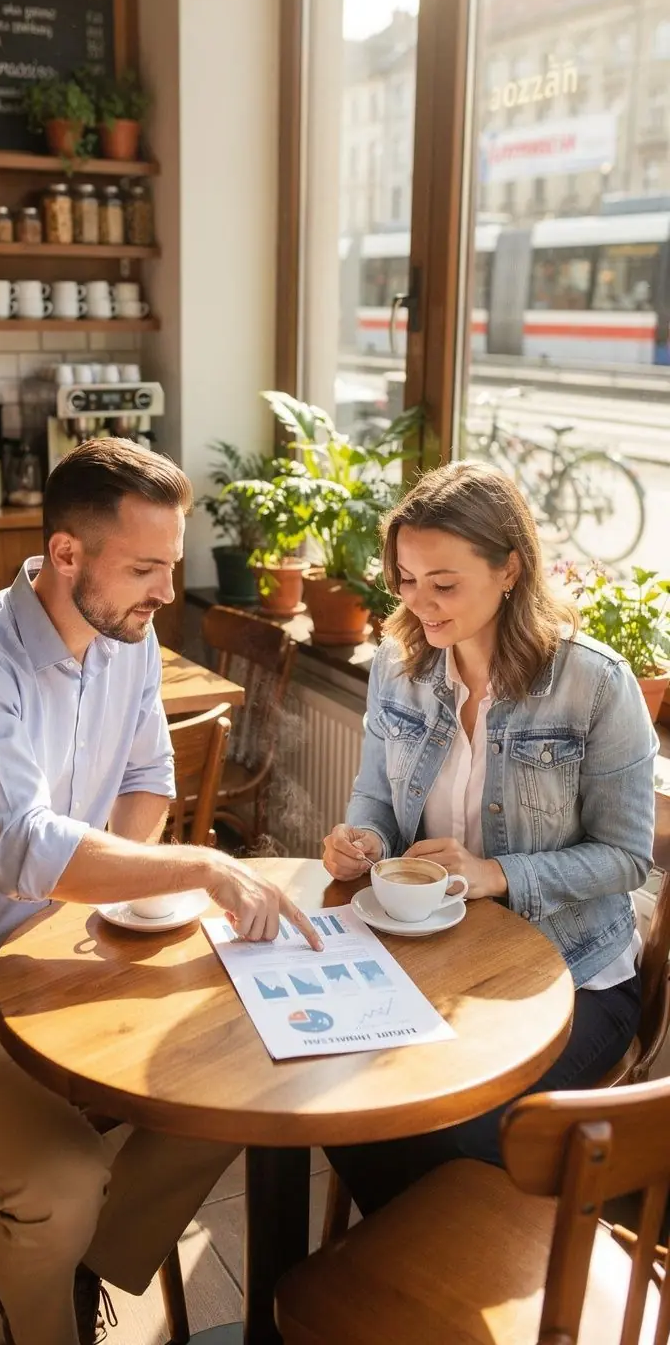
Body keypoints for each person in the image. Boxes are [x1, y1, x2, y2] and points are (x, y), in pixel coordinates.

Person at [0, 438, 321, 1345]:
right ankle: (39, 1309)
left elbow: (149, 775)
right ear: (66, 555)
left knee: (249, 1075)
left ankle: (64, 1266)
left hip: (57, 951)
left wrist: (103, 894)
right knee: (64, 1176)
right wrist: (200, 866)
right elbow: (22, 849)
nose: (164, 590)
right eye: (144, 567)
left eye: (171, 567)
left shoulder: (128, 639)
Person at [322, 460, 657, 1216]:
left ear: (510, 568)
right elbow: (375, 798)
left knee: (439, 1142)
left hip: (573, 981)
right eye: (406, 579)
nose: (420, 603)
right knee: (337, 1098)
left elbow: (628, 858)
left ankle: (425, 1290)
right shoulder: (398, 666)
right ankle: (396, 1284)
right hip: (437, 964)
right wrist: (362, 841)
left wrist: (494, 873)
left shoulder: (595, 685)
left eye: (444, 583)